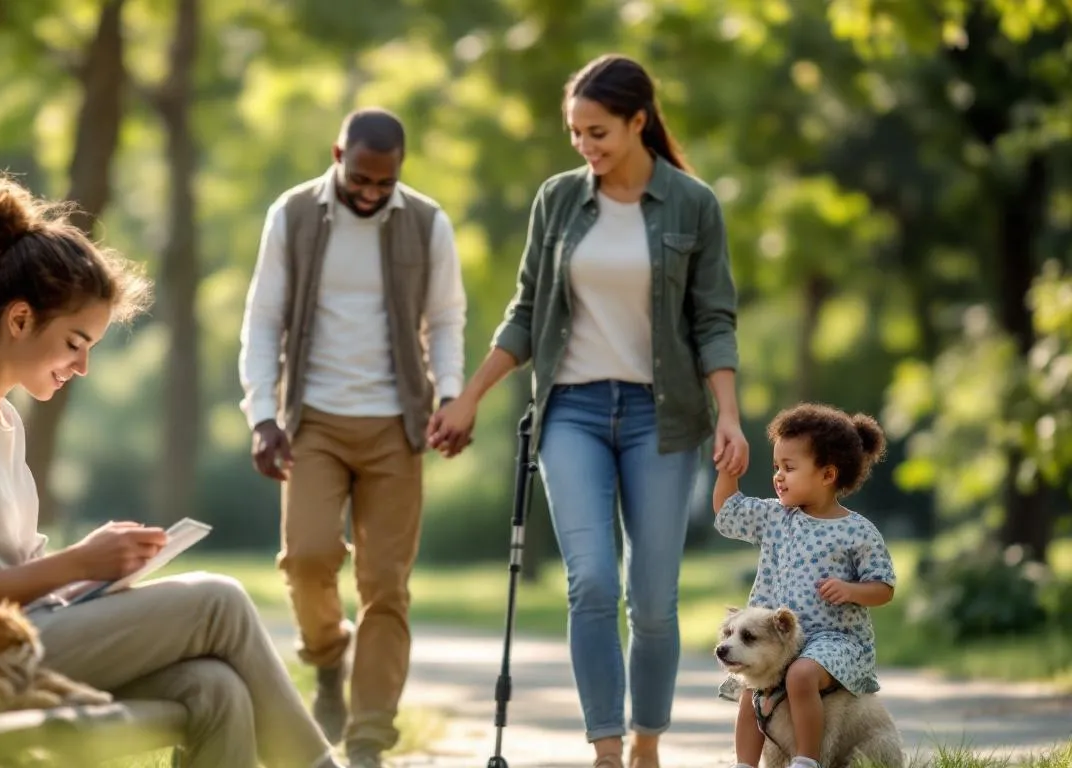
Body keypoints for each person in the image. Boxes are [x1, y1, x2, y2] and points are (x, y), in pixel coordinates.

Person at [0, 173, 342, 768]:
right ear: (19, 320)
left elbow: (10, 574)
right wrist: (80, 564)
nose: (82, 366)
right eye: (74, 343)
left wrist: (92, 578)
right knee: (219, 601)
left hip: (5, 647)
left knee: (216, 689)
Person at [426, 54, 748, 768]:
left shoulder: (693, 204)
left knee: (653, 600)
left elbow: (713, 319)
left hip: (663, 417)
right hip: (571, 411)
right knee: (593, 582)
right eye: (575, 133)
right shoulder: (558, 200)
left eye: (597, 132)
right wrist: (469, 397)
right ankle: (606, 750)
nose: (584, 146)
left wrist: (727, 414)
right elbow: (526, 311)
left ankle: (645, 743)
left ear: (638, 122)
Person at [238, 107, 467, 768]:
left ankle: (369, 736)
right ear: (339, 156)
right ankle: (327, 656)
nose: (370, 193)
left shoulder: (427, 221)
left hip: (397, 424)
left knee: (385, 585)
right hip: (313, 420)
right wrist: (262, 416)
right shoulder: (292, 215)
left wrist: (451, 396)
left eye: (384, 183)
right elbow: (263, 319)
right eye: (360, 179)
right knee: (307, 558)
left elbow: (446, 319)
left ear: (400, 170)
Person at [712, 403, 897, 768]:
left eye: (789, 467)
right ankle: (744, 764)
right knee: (751, 690)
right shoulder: (775, 516)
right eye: (776, 467)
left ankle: (806, 760)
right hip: (775, 639)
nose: (778, 476)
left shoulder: (857, 530)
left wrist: (851, 591)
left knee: (800, 675)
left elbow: (884, 587)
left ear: (827, 474)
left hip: (833, 641)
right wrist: (727, 471)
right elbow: (727, 510)